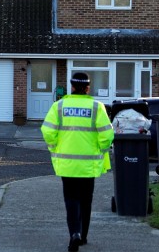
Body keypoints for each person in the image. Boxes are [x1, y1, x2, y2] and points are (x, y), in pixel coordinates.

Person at [41, 72, 114, 252]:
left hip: (67, 164)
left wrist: (54, 148)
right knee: (86, 201)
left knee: (71, 199)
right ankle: (84, 236)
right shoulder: (97, 107)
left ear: (72, 87)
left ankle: (74, 233)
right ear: (88, 88)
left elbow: (47, 131)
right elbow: (107, 135)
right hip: (89, 165)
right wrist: (100, 150)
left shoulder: (59, 106)